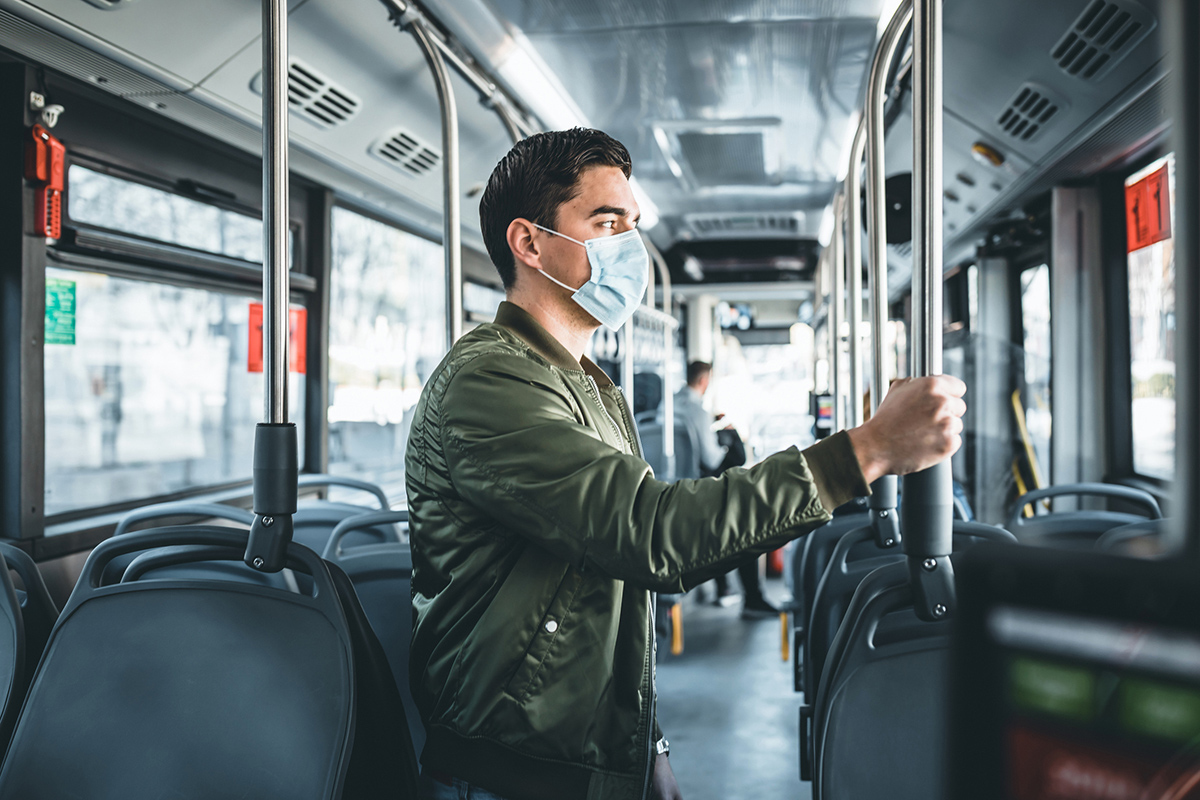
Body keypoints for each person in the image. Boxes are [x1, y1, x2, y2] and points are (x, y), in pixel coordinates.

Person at [405, 127, 966, 800]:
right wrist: (867, 450)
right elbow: (649, 535)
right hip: (510, 766)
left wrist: (647, 740)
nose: (629, 248)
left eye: (633, 226)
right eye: (606, 223)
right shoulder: (489, 381)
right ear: (529, 243)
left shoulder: (586, 383)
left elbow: (602, 594)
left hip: (579, 752)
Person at [675, 361, 778, 616]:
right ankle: (753, 598)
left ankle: (725, 589)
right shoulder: (697, 412)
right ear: (704, 381)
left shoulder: (667, 407)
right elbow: (711, 460)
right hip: (697, 491)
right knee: (747, 525)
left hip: (672, 487)